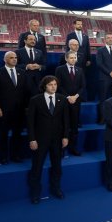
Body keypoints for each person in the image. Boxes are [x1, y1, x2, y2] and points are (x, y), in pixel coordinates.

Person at [27, 75, 70, 204]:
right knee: (37, 167)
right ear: (45, 86)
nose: (53, 87)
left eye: (55, 84)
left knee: (57, 166)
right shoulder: (35, 100)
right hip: (40, 140)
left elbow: (66, 120)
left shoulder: (62, 99)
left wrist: (65, 136)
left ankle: (56, 188)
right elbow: (30, 122)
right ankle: (35, 193)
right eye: (51, 84)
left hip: (57, 140)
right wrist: (32, 139)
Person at [0, 51, 26, 165]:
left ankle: (15, 155)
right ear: (5, 59)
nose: (14, 59)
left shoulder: (21, 72)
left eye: (15, 57)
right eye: (11, 58)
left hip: (19, 109)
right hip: (4, 110)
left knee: (17, 134)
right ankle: (3, 157)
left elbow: (24, 91)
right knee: (3, 134)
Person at [54, 51, 86, 156]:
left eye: (75, 57)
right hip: (64, 101)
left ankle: (73, 148)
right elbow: (58, 86)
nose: (73, 59)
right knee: (63, 125)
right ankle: (62, 150)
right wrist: (68, 97)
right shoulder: (60, 69)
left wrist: (75, 96)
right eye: (71, 58)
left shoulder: (80, 70)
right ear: (66, 59)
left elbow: (82, 86)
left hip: (76, 101)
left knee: (74, 126)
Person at [15, 34, 46, 100]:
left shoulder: (39, 52)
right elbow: (15, 66)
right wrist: (26, 66)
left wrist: (39, 66)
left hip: (37, 83)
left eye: (34, 40)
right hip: (24, 82)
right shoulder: (18, 52)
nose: (33, 41)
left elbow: (44, 66)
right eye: (31, 39)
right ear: (25, 41)